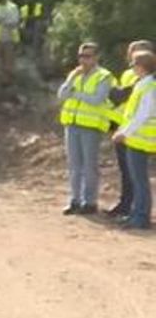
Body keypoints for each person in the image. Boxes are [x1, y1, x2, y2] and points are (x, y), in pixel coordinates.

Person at [57, 42, 114, 215]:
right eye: (81, 56)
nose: (83, 60)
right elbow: (61, 95)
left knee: (89, 166)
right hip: (72, 124)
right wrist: (71, 79)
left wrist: (74, 94)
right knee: (74, 165)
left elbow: (97, 99)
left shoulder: (104, 76)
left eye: (88, 56)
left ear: (96, 57)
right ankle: (75, 200)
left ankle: (89, 202)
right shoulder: (76, 75)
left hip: (90, 126)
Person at [107, 41, 154, 219]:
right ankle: (133, 211)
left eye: (135, 62)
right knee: (131, 176)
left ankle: (140, 215)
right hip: (131, 134)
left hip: (138, 137)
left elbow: (143, 114)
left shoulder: (149, 84)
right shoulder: (138, 80)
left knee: (139, 179)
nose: (131, 66)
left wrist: (123, 132)